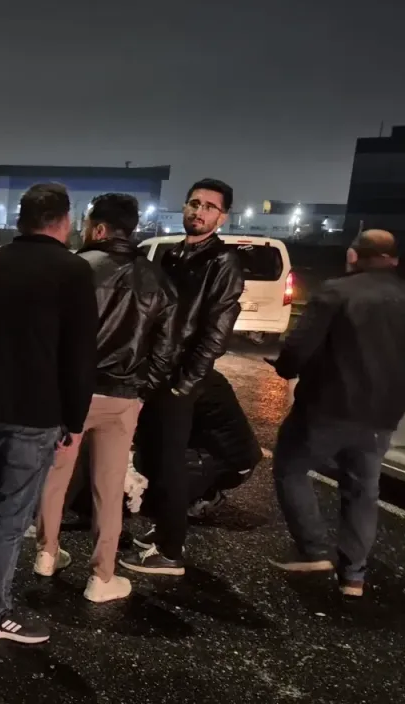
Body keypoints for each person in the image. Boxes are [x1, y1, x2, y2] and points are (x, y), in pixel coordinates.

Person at [0, 183, 98, 644]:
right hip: (36, 413)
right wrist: (74, 419)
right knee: (12, 516)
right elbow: (79, 355)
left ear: (22, 219)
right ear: (63, 220)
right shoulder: (72, 271)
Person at [268, 230, 405, 597]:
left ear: (353, 255)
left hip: (326, 406)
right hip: (382, 414)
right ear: (394, 259)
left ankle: (314, 549)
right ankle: (353, 577)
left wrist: (285, 368)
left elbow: (299, 346)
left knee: (290, 467)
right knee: (362, 491)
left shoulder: (336, 292)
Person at [34, 193, 176, 603]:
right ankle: (102, 576)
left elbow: (49, 334)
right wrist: (142, 390)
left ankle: (46, 554)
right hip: (122, 397)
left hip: (70, 394)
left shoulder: (74, 269)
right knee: (109, 489)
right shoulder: (156, 280)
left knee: (55, 476)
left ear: (98, 228)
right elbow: (166, 348)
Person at [122, 178, 244, 576]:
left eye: (209, 206)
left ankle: (170, 550)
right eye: (194, 203)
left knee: (171, 463)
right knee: (154, 458)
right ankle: (164, 531)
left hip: (180, 378)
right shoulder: (172, 255)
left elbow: (216, 333)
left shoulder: (223, 262)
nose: (198, 211)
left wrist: (185, 383)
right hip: (158, 371)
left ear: (222, 217)